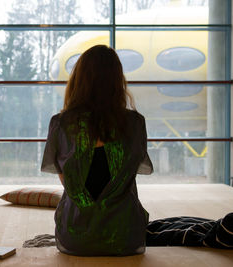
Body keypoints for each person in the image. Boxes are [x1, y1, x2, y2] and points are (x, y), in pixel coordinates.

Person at [40, 44, 153, 256]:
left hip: (75, 238)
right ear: (117, 80)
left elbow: (69, 185)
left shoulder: (62, 124)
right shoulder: (135, 123)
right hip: (124, 237)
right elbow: (129, 176)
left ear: (79, 79)